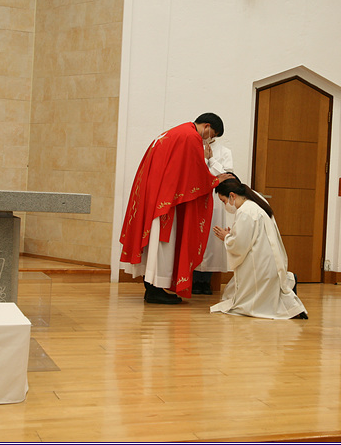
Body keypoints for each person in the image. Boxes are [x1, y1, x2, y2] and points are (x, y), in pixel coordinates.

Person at [119, 113, 225, 305]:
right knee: (161, 245)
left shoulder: (177, 132)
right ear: (207, 126)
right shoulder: (191, 136)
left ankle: (152, 289)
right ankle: (154, 290)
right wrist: (215, 180)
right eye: (212, 135)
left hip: (157, 194)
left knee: (155, 244)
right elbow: (195, 173)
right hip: (165, 201)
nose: (209, 140)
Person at [210, 178, 308, 320]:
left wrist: (226, 237)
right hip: (266, 259)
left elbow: (239, 245)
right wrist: (232, 236)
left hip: (260, 264)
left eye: (224, 201)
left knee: (243, 302)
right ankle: (290, 285)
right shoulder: (253, 206)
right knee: (232, 293)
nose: (225, 205)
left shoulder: (245, 212)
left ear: (232, 195)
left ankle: (291, 296)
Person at [192, 137, 234, 295]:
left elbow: (227, 176)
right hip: (197, 199)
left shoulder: (225, 151)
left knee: (212, 241)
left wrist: (211, 160)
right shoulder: (194, 148)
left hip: (216, 201)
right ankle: (194, 280)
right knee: (195, 238)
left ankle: (206, 281)